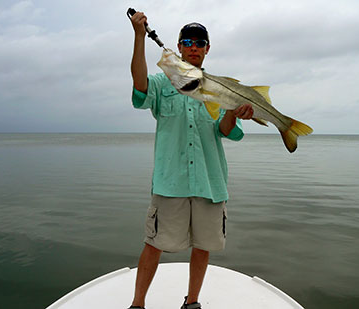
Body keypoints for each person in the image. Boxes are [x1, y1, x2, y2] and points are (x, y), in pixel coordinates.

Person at [129, 11, 254, 309]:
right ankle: (137, 305)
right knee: (153, 243)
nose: (193, 46)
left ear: (207, 48)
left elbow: (224, 131)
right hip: (170, 181)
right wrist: (138, 37)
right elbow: (139, 86)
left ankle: (192, 303)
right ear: (180, 46)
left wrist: (235, 114)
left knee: (203, 246)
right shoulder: (163, 83)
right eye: (187, 41)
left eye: (200, 42)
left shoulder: (218, 88)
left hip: (210, 182)